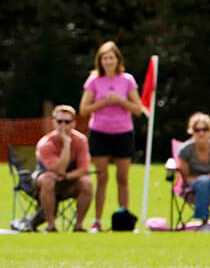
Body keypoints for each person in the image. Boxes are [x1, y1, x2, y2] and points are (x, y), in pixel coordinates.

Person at [78, 40, 145, 231]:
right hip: (100, 133)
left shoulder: (127, 80)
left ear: (117, 60)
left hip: (123, 133)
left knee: (122, 178)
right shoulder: (94, 81)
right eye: (104, 58)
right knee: (102, 178)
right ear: (100, 61)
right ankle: (97, 221)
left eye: (111, 58)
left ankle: (123, 218)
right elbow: (84, 109)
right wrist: (104, 103)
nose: (108, 62)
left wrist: (121, 101)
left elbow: (138, 109)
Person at [35, 105, 94, 231]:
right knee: (48, 180)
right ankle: (51, 225)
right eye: (59, 121)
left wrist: (66, 177)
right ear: (53, 123)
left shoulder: (80, 140)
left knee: (87, 183)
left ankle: (78, 226)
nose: (63, 125)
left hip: (69, 181)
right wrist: (66, 146)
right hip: (47, 183)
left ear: (74, 123)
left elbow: (84, 169)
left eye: (67, 122)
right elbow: (57, 170)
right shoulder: (45, 143)